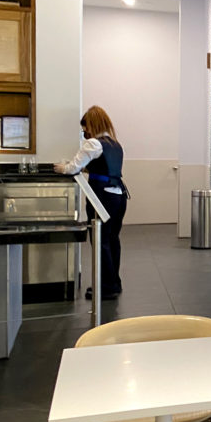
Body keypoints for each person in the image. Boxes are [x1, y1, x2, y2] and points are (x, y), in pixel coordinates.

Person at [54, 106, 128, 300]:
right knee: (113, 239)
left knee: (100, 240)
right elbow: (108, 169)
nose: (85, 132)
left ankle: (106, 287)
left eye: (85, 127)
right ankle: (114, 283)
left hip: (102, 196)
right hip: (119, 196)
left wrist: (60, 168)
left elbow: (72, 168)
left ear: (91, 125)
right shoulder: (115, 144)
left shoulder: (93, 144)